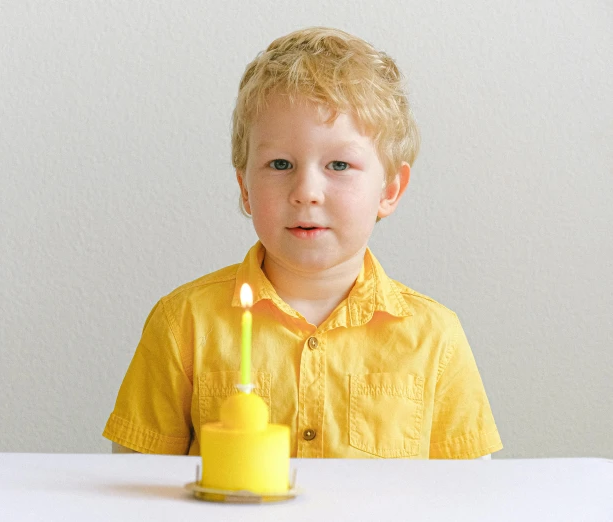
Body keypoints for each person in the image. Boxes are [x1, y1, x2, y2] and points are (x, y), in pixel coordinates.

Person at [103, 27, 502, 459]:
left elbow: (468, 494)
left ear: (389, 190)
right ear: (245, 188)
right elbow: (135, 485)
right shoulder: (183, 323)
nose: (306, 191)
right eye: (280, 164)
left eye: (339, 164)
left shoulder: (435, 337)